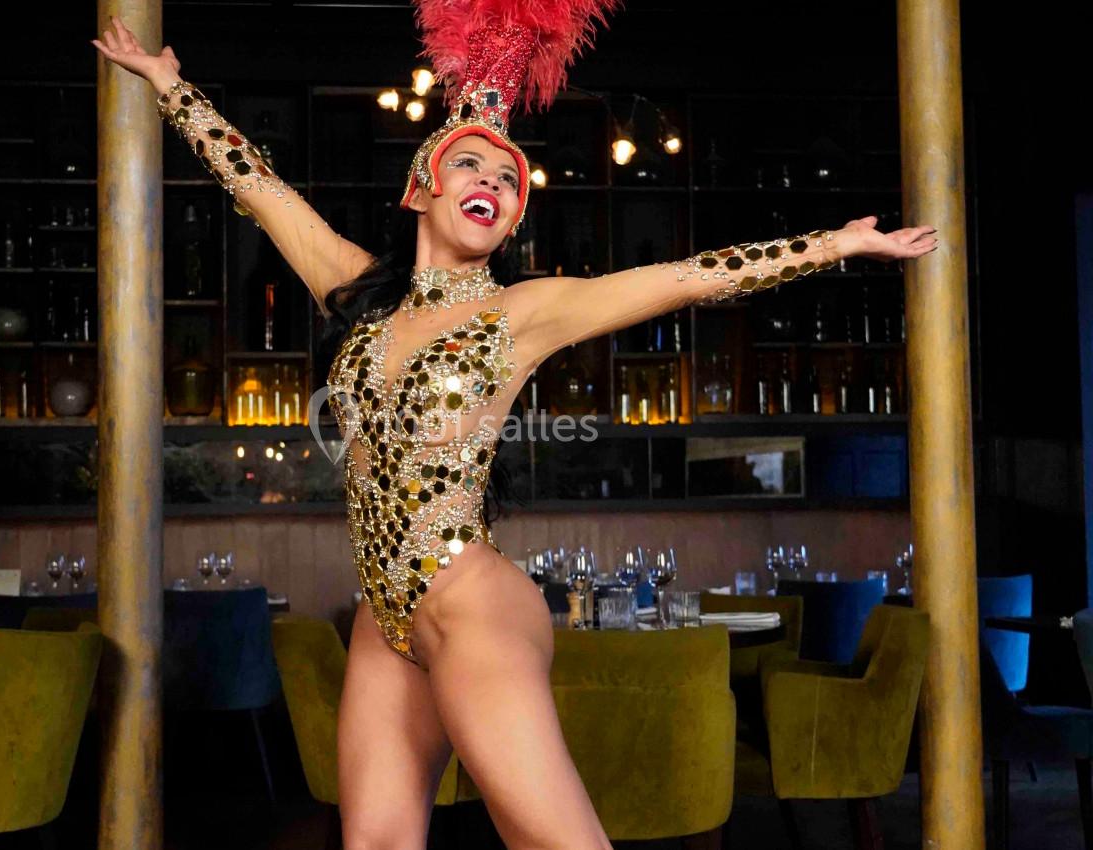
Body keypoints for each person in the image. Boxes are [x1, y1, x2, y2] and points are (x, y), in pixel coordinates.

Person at [92, 4, 937, 846]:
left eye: (507, 182)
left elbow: (684, 279)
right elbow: (260, 190)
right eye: (471, 168)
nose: (491, 186)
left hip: (475, 607)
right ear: (421, 187)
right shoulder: (357, 294)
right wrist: (171, 87)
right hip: (384, 622)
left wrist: (832, 246)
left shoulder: (520, 315)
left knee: (552, 840)